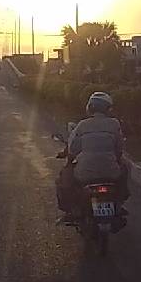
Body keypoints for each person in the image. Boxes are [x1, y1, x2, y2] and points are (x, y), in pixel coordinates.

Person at [57, 91, 130, 223]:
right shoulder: (115, 124)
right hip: (111, 173)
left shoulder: (82, 125)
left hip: (85, 174)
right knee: (124, 169)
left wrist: (69, 159)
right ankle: (118, 204)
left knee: (64, 176)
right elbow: (119, 148)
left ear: (90, 107)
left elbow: (73, 149)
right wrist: (116, 160)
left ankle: (71, 211)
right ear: (108, 109)